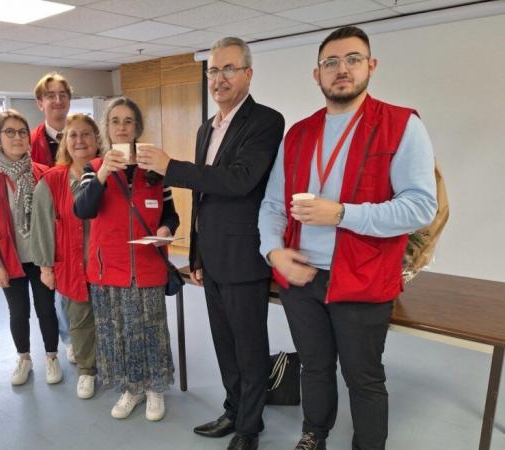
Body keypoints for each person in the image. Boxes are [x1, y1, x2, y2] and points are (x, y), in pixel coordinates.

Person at [257, 26, 437, 450]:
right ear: (316, 74)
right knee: (315, 367)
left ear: (370, 66)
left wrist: (340, 214)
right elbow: (272, 205)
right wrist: (273, 253)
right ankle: (313, 434)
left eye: (353, 59)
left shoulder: (400, 125)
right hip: (302, 276)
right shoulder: (298, 134)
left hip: (362, 276)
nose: (342, 70)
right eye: (331, 62)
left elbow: (419, 208)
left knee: (364, 376)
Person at [137, 37, 284, 450]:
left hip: (244, 258)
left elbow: (239, 181)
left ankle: (250, 428)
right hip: (212, 258)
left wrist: (171, 168)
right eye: (213, 70)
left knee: (250, 347)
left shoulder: (266, 121)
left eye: (228, 69)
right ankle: (234, 410)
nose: (219, 78)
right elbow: (202, 199)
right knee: (224, 343)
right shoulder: (207, 127)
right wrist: (196, 254)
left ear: (248, 74)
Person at [73, 97, 179, 422]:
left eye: (128, 121)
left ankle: (154, 388)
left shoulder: (156, 170)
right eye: (115, 121)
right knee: (117, 332)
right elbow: (83, 209)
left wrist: (165, 228)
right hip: (108, 269)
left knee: (151, 330)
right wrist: (104, 172)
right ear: (107, 128)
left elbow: (171, 215)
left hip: (147, 266)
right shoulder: (93, 169)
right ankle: (130, 389)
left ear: (137, 127)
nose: (121, 126)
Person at [0, 109, 62, 386]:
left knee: (47, 308)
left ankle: (51, 357)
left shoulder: (44, 174)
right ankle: (23, 358)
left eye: (22, 132)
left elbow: (54, 221)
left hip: (41, 258)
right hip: (10, 261)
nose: (17, 137)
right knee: (18, 311)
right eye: (9, 132)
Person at [31, 114, 100, 399]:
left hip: (108, 264)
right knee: (80, 320)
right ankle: (87, 371)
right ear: (65, 143)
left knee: (111, 319)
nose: (80, 140)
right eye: (73, 135)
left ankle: (115, 365)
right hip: (72, 264)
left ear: (97, 140)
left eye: (86, 134)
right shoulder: (52, 180)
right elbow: (42, 227)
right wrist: (46, 267)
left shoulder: (109, 172)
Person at [31, 72, 75, 364]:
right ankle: (66, 341)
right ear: (40, 103)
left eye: (63, 95)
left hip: (78, 222)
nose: (57, 101)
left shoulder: (82, 133)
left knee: (78, 286)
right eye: (51, 95)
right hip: (49, 229)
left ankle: (81, 335)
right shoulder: (31, 141)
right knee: (55, 291)